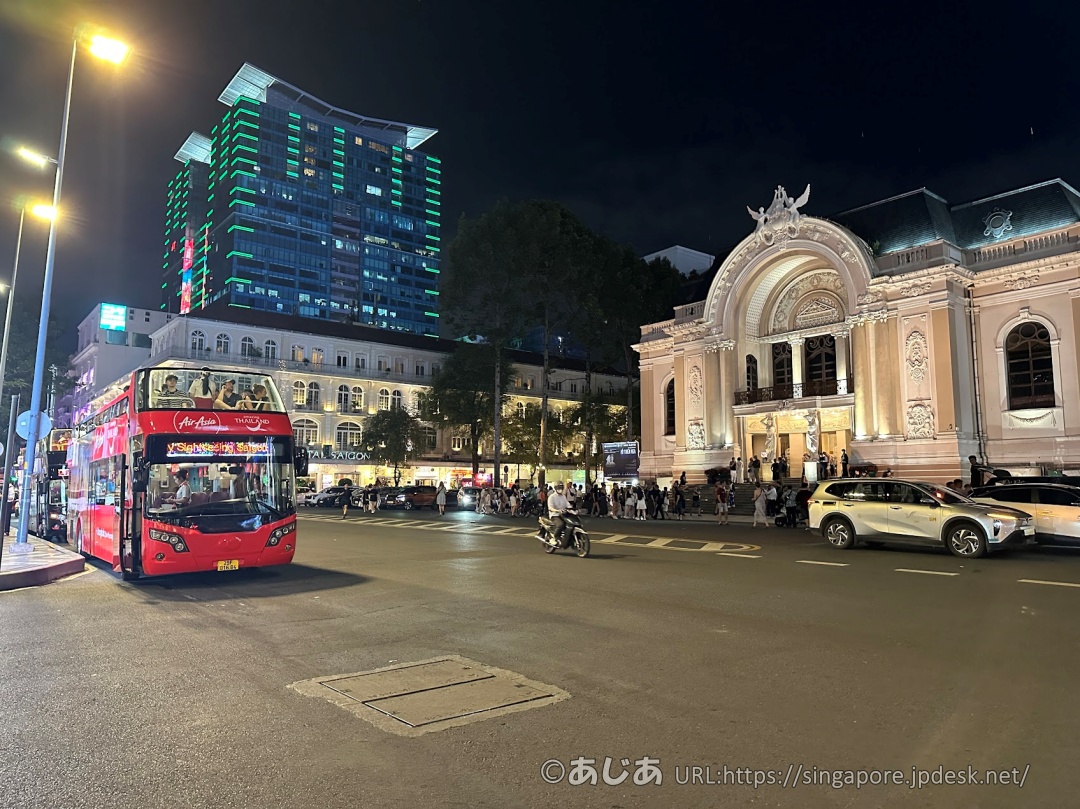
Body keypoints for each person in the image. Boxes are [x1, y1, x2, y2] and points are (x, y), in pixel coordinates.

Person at [546, 482, 573, 547]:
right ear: (555, 488)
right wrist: (557, 511)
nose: (560, 489)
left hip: (564, 515)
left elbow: (568, 504)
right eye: (559, 488)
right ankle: (554, 538)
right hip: (555, 515)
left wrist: (573, 509)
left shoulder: (563, 496)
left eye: (561, 488)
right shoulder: (552, 497)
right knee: (561, 525)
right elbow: (550, 508)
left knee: (570, 524)